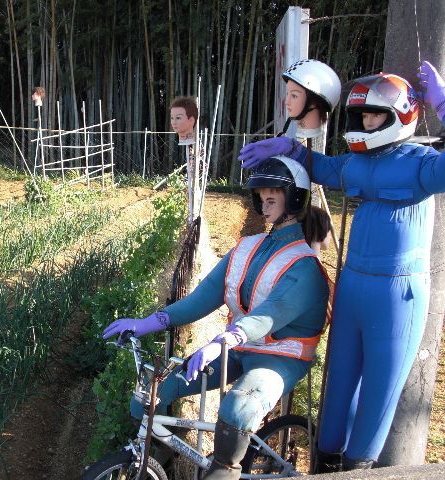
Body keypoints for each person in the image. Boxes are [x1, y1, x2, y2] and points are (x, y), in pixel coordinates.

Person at [237, 62, 445, 471]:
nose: (366, 123)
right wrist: (289, 149)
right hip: (352, 285)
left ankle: (358, 469)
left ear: (400, 115)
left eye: (376, 116)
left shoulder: (421, 163)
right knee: (339, 382)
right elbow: (326, 168)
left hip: (397, 294)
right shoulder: (355, 163)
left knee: (380, 391)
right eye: (362, 116)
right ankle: (325, 462)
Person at [103, 156, 329, 480]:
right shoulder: (247, 248)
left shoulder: (304, 266)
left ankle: (225, 470)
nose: (264, 208)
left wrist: (224, 340)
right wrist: (147, 323)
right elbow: (202, 298)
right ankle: (163, 461)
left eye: (272, 200)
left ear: (294, 201)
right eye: (261, 200)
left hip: (280, 356)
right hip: (236, 348)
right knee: (151, 394)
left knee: (237, 409)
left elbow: (269, 315)